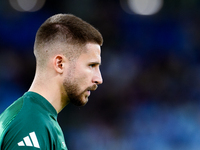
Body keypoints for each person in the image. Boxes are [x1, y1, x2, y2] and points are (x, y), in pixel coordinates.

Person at [0, 13, 103, 150]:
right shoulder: (30, 123)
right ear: (60, 64)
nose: (99, 79)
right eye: (91, 65)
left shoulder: (42, 120)